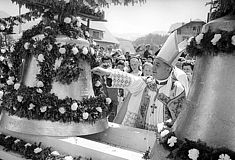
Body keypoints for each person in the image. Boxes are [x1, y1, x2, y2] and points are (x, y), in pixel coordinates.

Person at [92, 31, 187, 131]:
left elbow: (180, 119)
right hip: (142, 131)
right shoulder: (147, 83)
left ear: (168, 68)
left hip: (163, 137)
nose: (153, 68)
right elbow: (129, 79)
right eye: (154, 64)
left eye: (158, 65)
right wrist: (107, 73)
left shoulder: (177, 89)